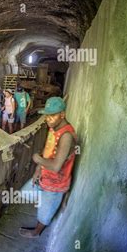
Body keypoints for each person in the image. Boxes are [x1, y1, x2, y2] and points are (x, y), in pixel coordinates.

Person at [19, 97, 77, 238]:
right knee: (24, 193)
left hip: (55, 183)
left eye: (52, 115)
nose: (48, 119)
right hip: (45, 176)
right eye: (47, 115)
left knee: (44, 216)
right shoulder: (53, 128)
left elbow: (56, 167)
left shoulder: (66, 136)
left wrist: (37, 159)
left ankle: (36, 232)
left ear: (62, 114)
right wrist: (38, 169)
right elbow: (47, 150)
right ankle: (51, 203)